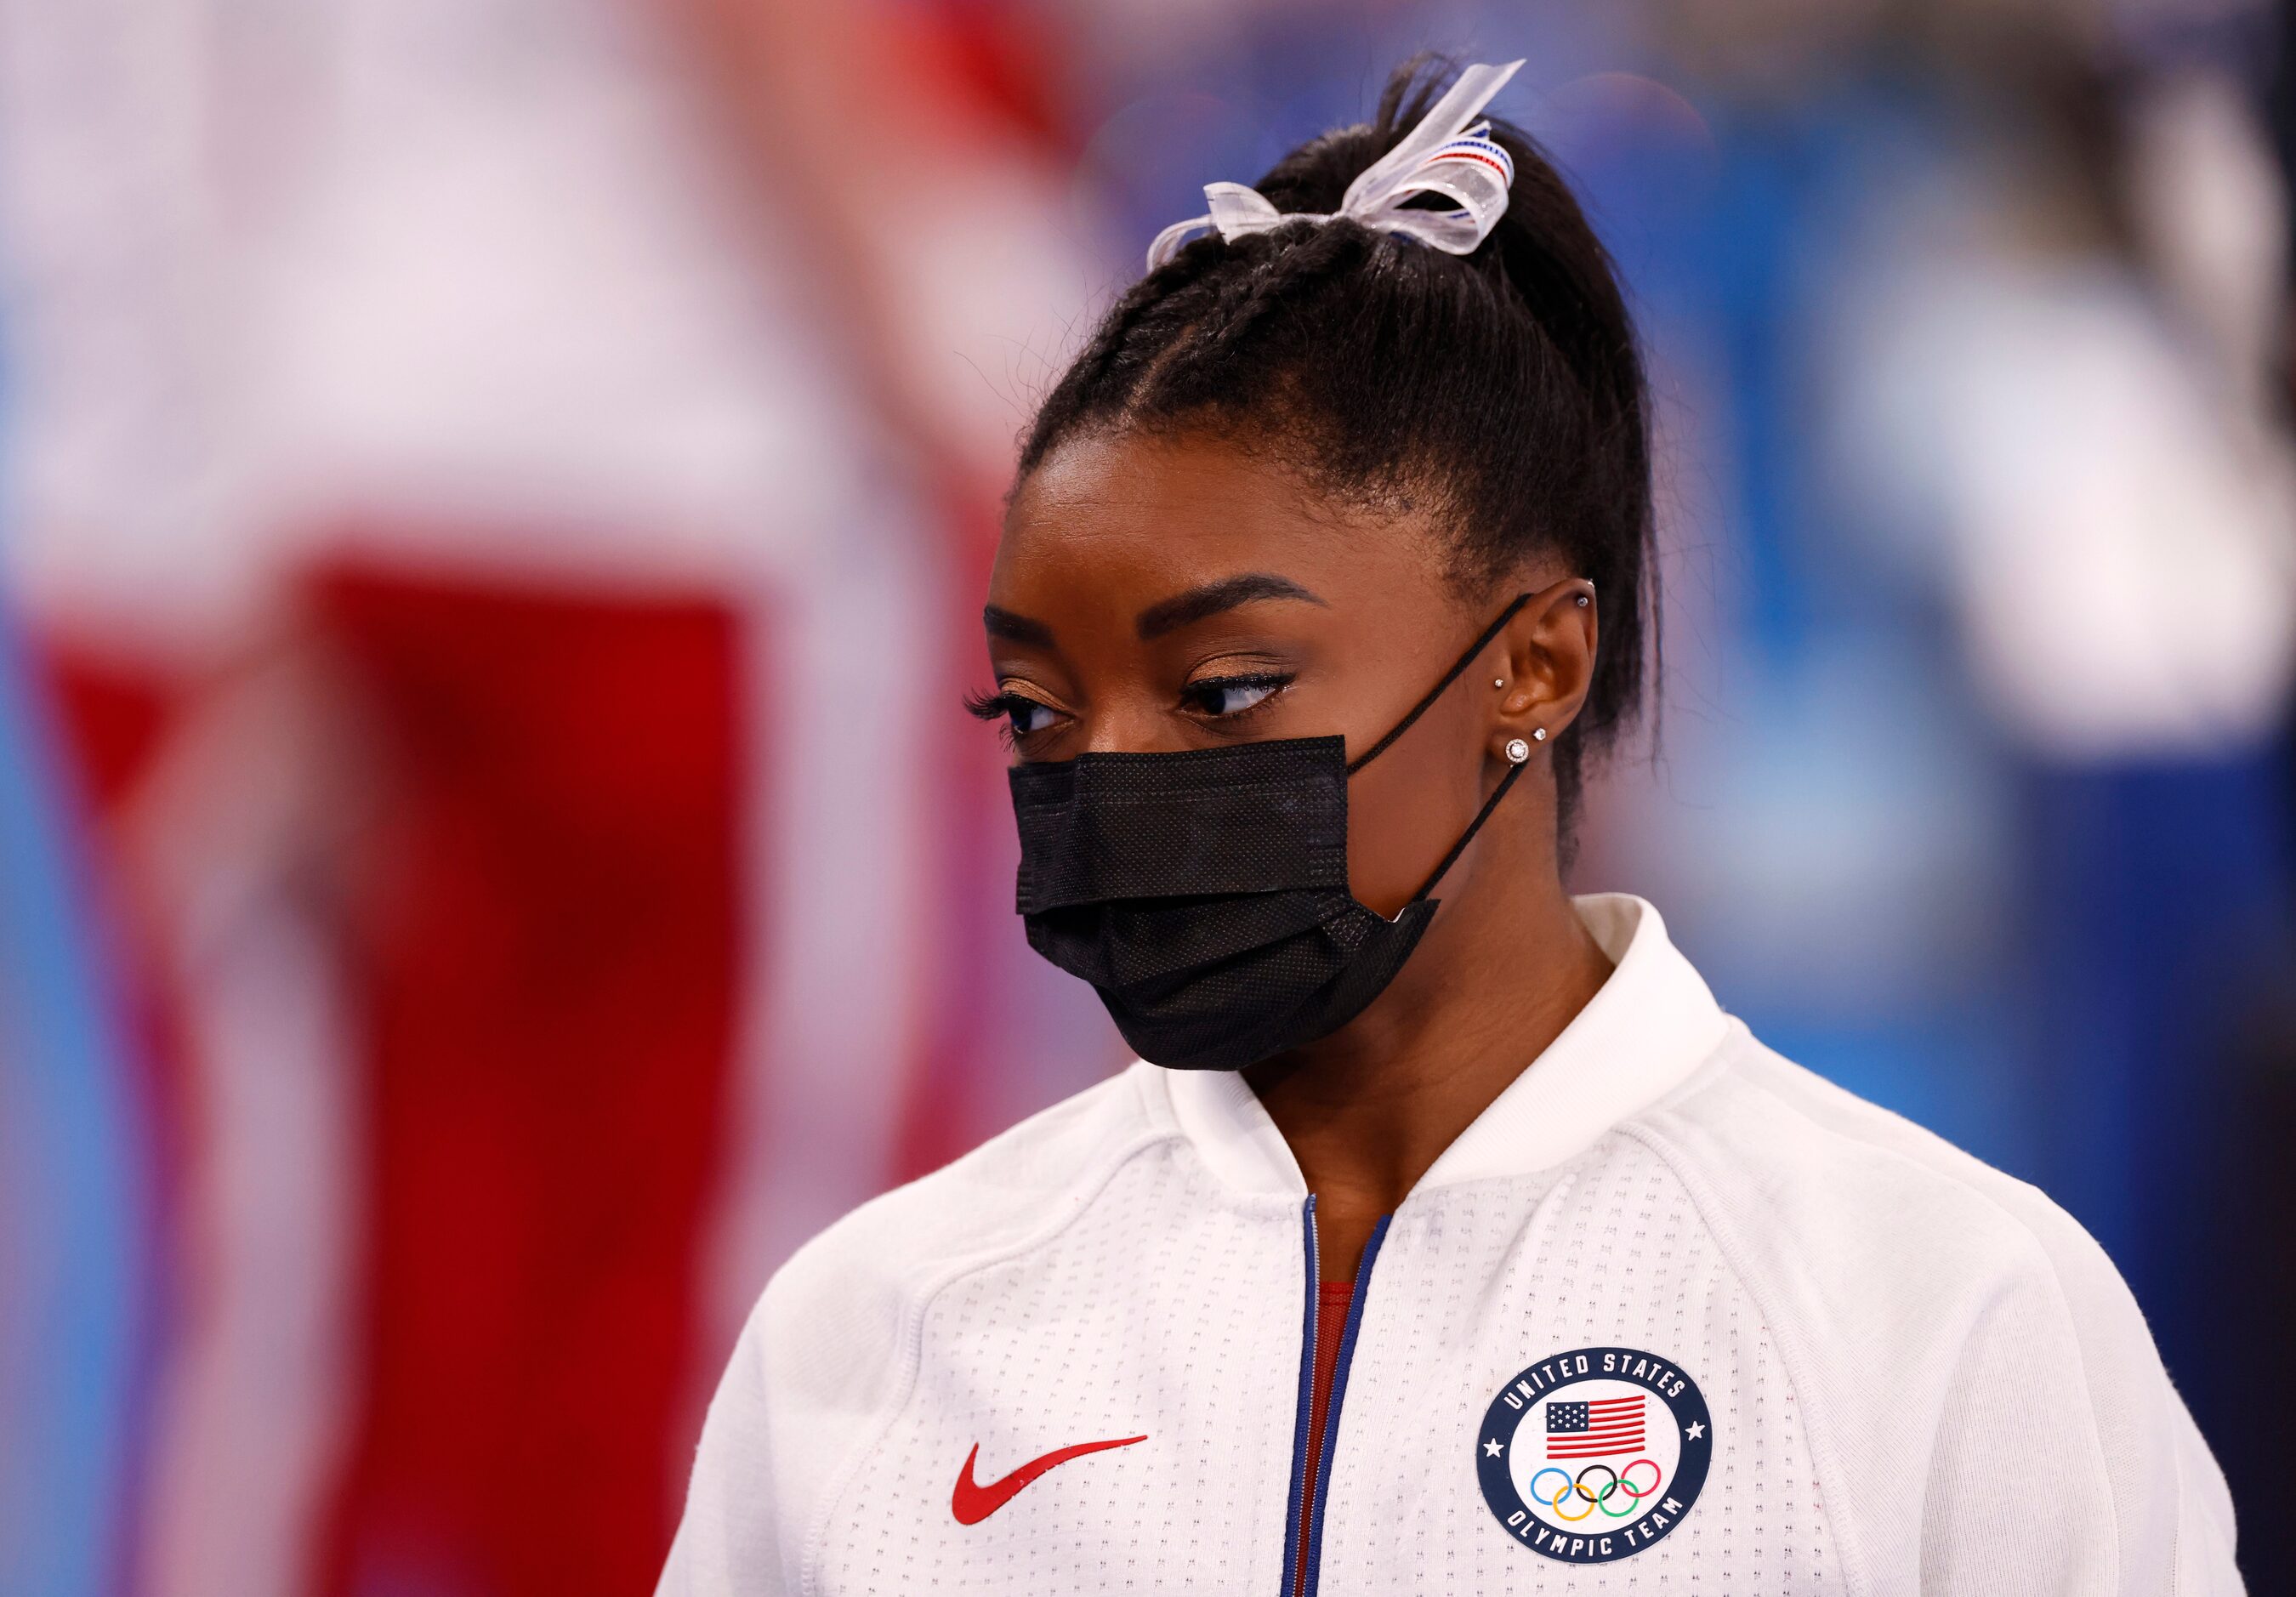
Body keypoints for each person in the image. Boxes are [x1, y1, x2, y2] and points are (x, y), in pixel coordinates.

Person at [658, 58, 2240, 1594]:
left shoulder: (1941, 1314)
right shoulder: (872, 1333)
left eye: (1220, 692)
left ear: (1535, 663)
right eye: (1042, 710)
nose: (1112, 783)